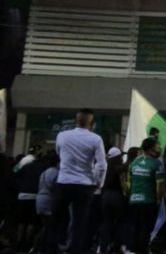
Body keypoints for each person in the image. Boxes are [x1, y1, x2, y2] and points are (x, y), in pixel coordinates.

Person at [46, 109, 107, 254]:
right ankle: (75, 250)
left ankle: (50, 249)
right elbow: (102, 165)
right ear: (91, 123)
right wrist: (98, 183)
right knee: (80, 223)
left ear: (76, 120)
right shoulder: (96, 139)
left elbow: (59, 153)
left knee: (55, 220)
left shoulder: (62, 136)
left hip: (64, 182)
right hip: (84, 184)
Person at [128, 137, 165, 254]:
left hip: (133, 200)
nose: (159, 147)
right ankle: (143, 250)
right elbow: (160, 185)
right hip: (148, 201)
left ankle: (133, 250)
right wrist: (159, 199)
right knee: (146, 228)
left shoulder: (134, 162)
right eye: (157, 145)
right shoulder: (157, 163)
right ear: (151, 148)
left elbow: (129, 182)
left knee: (135, 227)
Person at [99, 147, 127, 254]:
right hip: (117, 196)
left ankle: (103, 248)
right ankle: (116, 247)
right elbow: (124, 186)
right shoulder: (120, 169)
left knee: (106, 223)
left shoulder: (104, 167)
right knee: (119, 223)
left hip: (105, 196)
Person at [34, 151, 59, 253]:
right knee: (51, 228)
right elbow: (56, 188)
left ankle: (38, 247)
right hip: (49, 200)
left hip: (40, 199)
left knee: (44, 226)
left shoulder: (44, 172)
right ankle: (46, 248)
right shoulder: (57, 173)